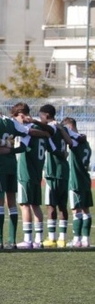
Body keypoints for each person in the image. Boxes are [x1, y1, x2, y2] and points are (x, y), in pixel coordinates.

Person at [0, 96, 35, 250]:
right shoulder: (11, 122)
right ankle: (12, 240)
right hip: (12, 166)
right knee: (11, 202)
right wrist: (15, 148)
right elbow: (28, 132)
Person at [38, 104, 71, 248]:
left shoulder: (50, 128)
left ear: (46, 115)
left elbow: (52, 146)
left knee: (51, 205)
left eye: (40, 116)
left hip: (53, 171)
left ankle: (52, 238)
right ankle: (62, 239)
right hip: (64, 171)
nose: (40, 118)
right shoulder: (62, 128)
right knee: (63, 206)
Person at [62, 117, 92, 248]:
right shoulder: (86, 143)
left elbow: (69, 140)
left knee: (76, 211)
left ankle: (77, 240)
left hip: (75, 180)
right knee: (86, 210)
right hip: (85, 180)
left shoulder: (75, 143)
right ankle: (86, 239)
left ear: (70, 128)